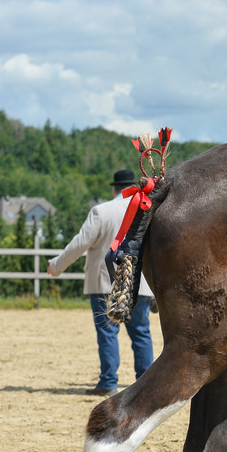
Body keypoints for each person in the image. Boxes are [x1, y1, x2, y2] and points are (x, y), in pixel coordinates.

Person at [48, 169, 155, 396]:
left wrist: (57, 266)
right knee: (141, 333)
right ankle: (145, 384)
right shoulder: (147, 211)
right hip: (140, 283)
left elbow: (80, 244)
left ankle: (108, 382)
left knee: (108, 332)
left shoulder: (101, 211)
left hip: (105, 282)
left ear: (115, 189)